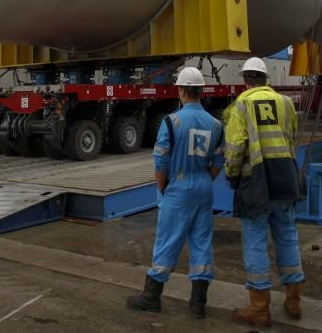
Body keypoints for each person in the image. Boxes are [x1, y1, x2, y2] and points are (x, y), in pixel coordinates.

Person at [127, 66, 225, 318]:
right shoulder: (215, 124)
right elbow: (218, 162)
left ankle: (151, 296)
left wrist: (163, 187)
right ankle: (198, 304)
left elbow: (160, 161)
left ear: (181, 91)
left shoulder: (172, 121)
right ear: (201, 92)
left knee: (168, 240)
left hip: (178, 187)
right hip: (203, 187)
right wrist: (204, 179)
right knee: (202, 242)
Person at [224, 57, 304, 326]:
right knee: (288, 237)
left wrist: (231, 176)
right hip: (285, 177)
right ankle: (294, 301)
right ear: (265, 78)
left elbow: (235, 146)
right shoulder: (286, 103)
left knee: (255, 241)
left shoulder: (242, 104)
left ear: (245, 80)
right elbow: (292, 138)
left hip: (255, 180)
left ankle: (259, 309)